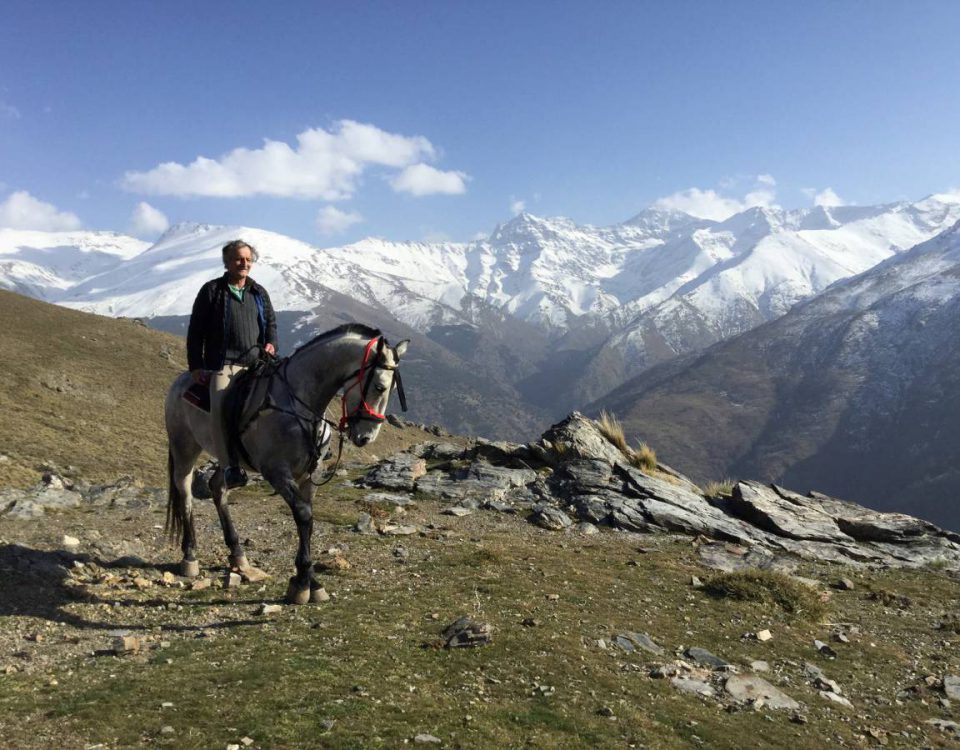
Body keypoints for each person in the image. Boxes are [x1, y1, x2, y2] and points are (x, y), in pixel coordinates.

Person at [187, 239, 278, 488]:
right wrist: (196, 366)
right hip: (224, 365)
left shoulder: (259, 292)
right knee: (219, 409)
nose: (244, 263)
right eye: (239, 259)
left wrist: (271, 343)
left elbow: (271, 324)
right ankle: (229, 467)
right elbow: (196, 331)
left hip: (259, 364)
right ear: (227, 262)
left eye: (248, 259)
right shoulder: (212, 291)